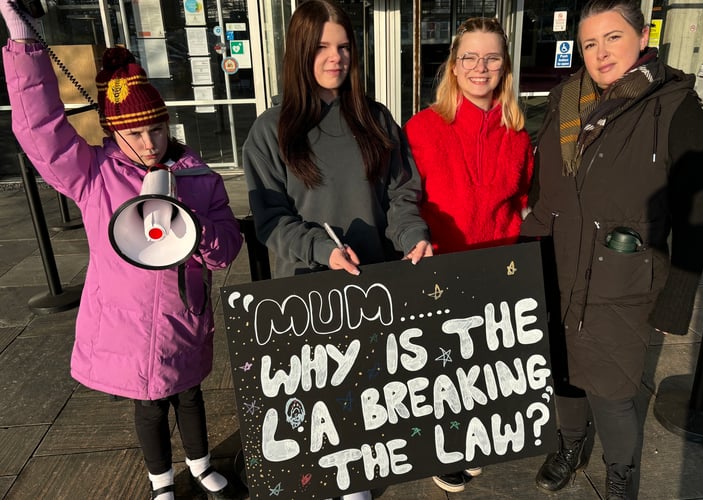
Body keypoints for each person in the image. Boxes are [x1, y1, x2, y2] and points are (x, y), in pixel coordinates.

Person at [0, 2, 244, 499]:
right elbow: (40, 132)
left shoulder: (199, 179)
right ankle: (161, 482)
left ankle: (199, 465)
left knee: (190, 393)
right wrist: (26, 44)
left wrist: (195, 229)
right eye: (134, 133)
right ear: (113, 132)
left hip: (185, 318)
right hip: (126, 323)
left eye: (156, 129)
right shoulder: (94, 176)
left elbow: (226, 251)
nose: (150, 143)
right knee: (150, 404)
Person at [519, 1, 703, 499]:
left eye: (613, 37)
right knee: (562, 374)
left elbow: (695, 217)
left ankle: (621, 470)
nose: (601, 52)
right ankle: (569, 444)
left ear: (640, 36)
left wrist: (677, 296)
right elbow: (545, 190)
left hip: (620, 277)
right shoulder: (566, 99)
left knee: (612, 389)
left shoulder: (674, 105)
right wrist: (526, 253)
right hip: (556, 264)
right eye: (590, 43)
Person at [242, 0, 431, 498]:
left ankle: (356, 479)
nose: (336, 58)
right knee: (318, 401)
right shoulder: (271, 129)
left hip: (374, 284)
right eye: (323, 46)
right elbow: (270, 220)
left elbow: (401, 195)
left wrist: (414, 238)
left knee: (364, 393)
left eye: (344, 46)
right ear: (300, 51)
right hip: (308, 293)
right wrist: (318, 250)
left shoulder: (375, 117)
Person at [403, 16, 533, 493]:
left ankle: (474, 439)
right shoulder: (421, 127)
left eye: (491, 57)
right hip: (439, 266)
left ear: (505, 67)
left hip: (497, 266)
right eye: (470, 58)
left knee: (481, 363)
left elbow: (521, 197)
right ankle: (443, 447)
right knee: (440, 367)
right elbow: (404, 199)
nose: (481, 67)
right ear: (454, 66)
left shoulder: (518, 132)